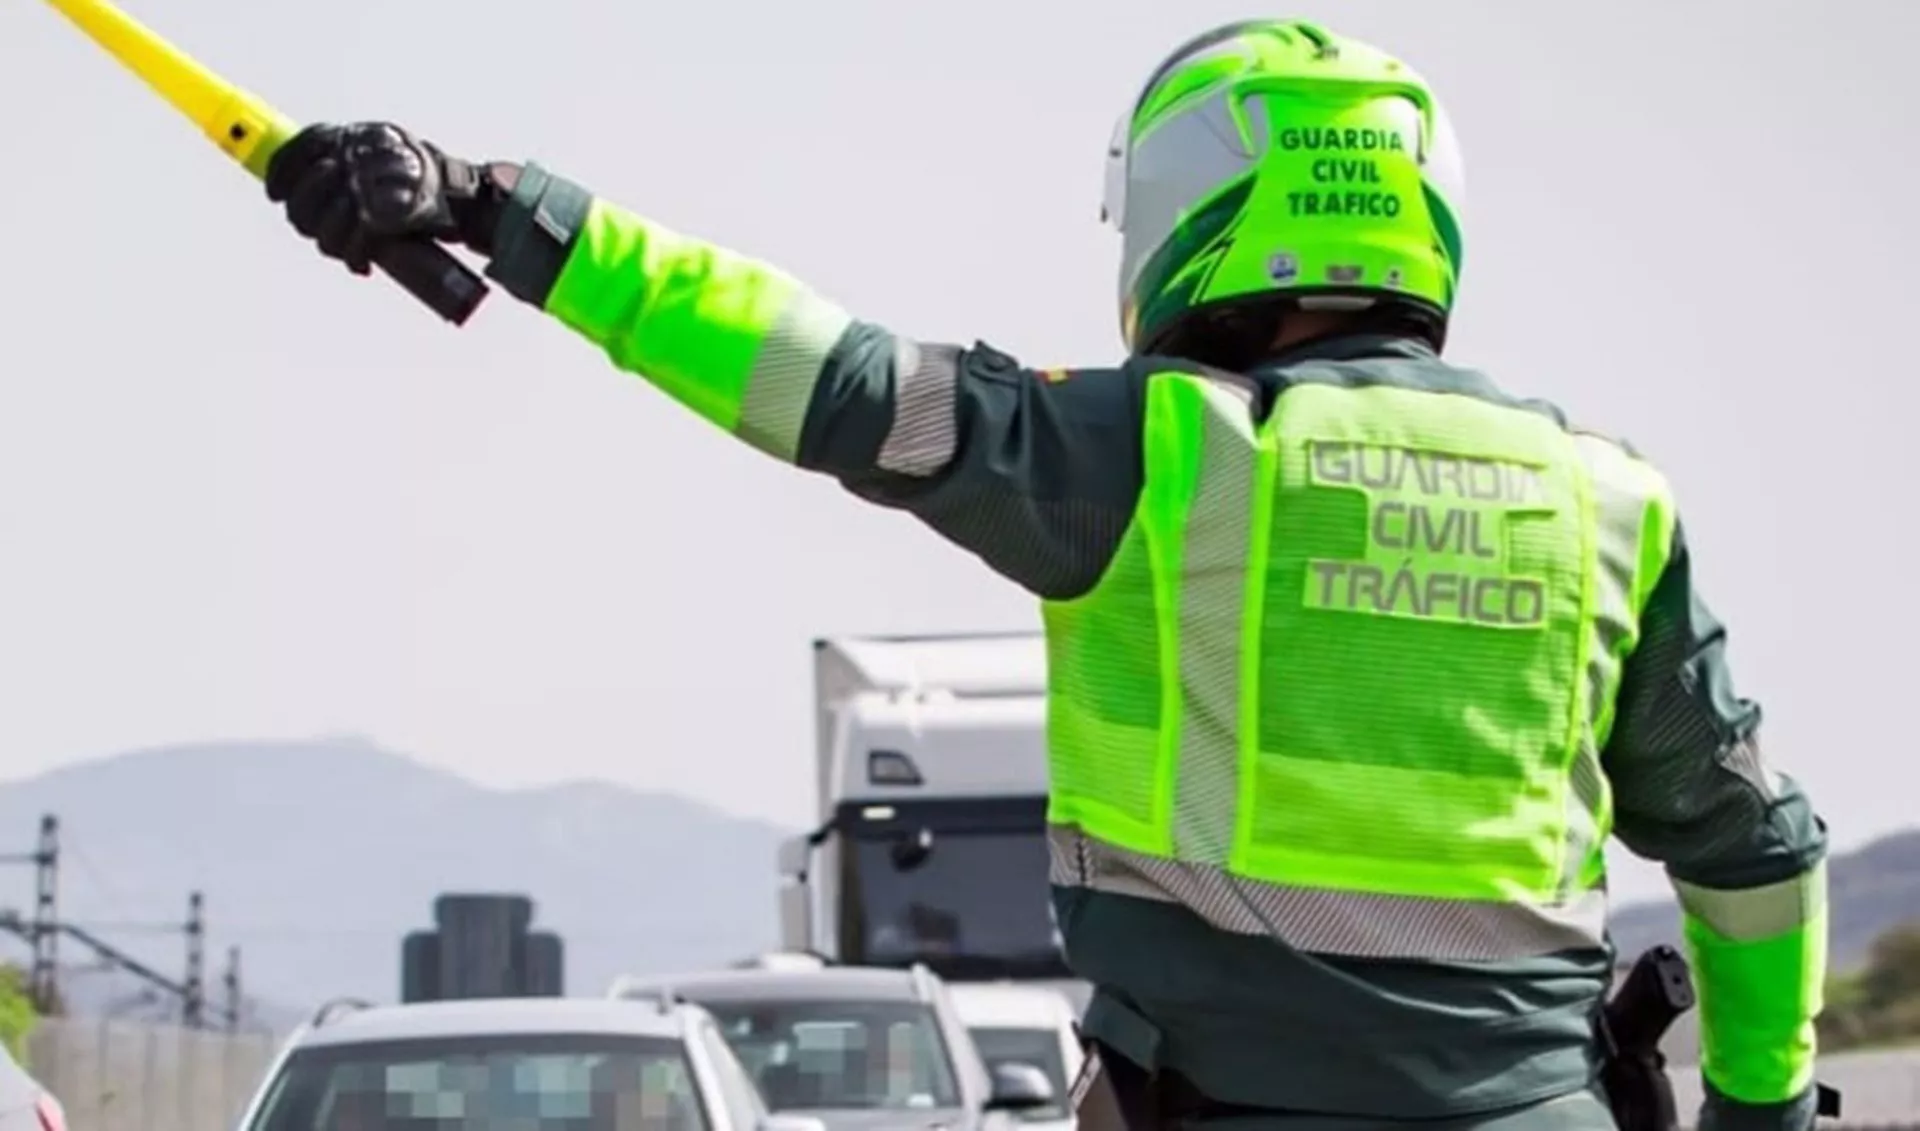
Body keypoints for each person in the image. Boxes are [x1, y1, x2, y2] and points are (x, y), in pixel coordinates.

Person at [263, 18, 1828, 1131]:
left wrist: (494, 205)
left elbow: (822, 373)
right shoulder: (1610, 502)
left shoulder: (1157, 454)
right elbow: (1754, 855)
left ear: (1189, 210)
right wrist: (1758, 1110)